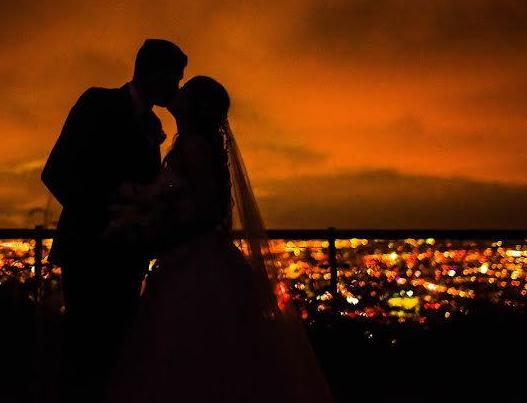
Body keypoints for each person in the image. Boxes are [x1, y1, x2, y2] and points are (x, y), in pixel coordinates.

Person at [102, 76, 335, 403]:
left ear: (194, 106)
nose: (176, 90)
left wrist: (160, 230)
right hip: (190, 258)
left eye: (185, 90)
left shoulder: (195, 147)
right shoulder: (192, 144)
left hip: (192, 262)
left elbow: (210, 210)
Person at [41, 38, 188, 402]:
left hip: (127, 259)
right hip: (89, 254)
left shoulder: (152, 124)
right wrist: (111, 213)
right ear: (152, 73)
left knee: (112, 357)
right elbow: (57, 172)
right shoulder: (98, 103)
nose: (176, 87)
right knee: (81, 358)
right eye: (174, 78)